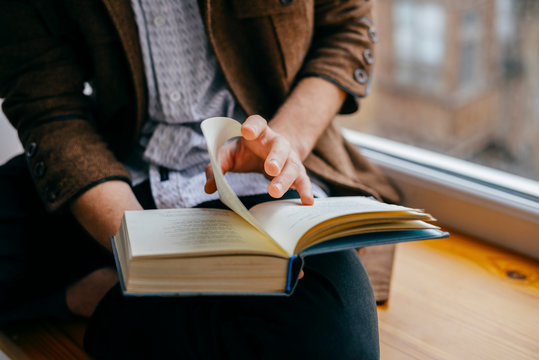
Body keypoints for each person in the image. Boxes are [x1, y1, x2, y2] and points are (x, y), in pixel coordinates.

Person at [0, 0, 400, 358]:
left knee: (335, 338)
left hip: (263, 182)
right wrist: (141, 248)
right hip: (115, 175)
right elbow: (48, 103)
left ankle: (104, 297)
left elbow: (347, 27)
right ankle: (116, 297)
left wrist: (285, 142)